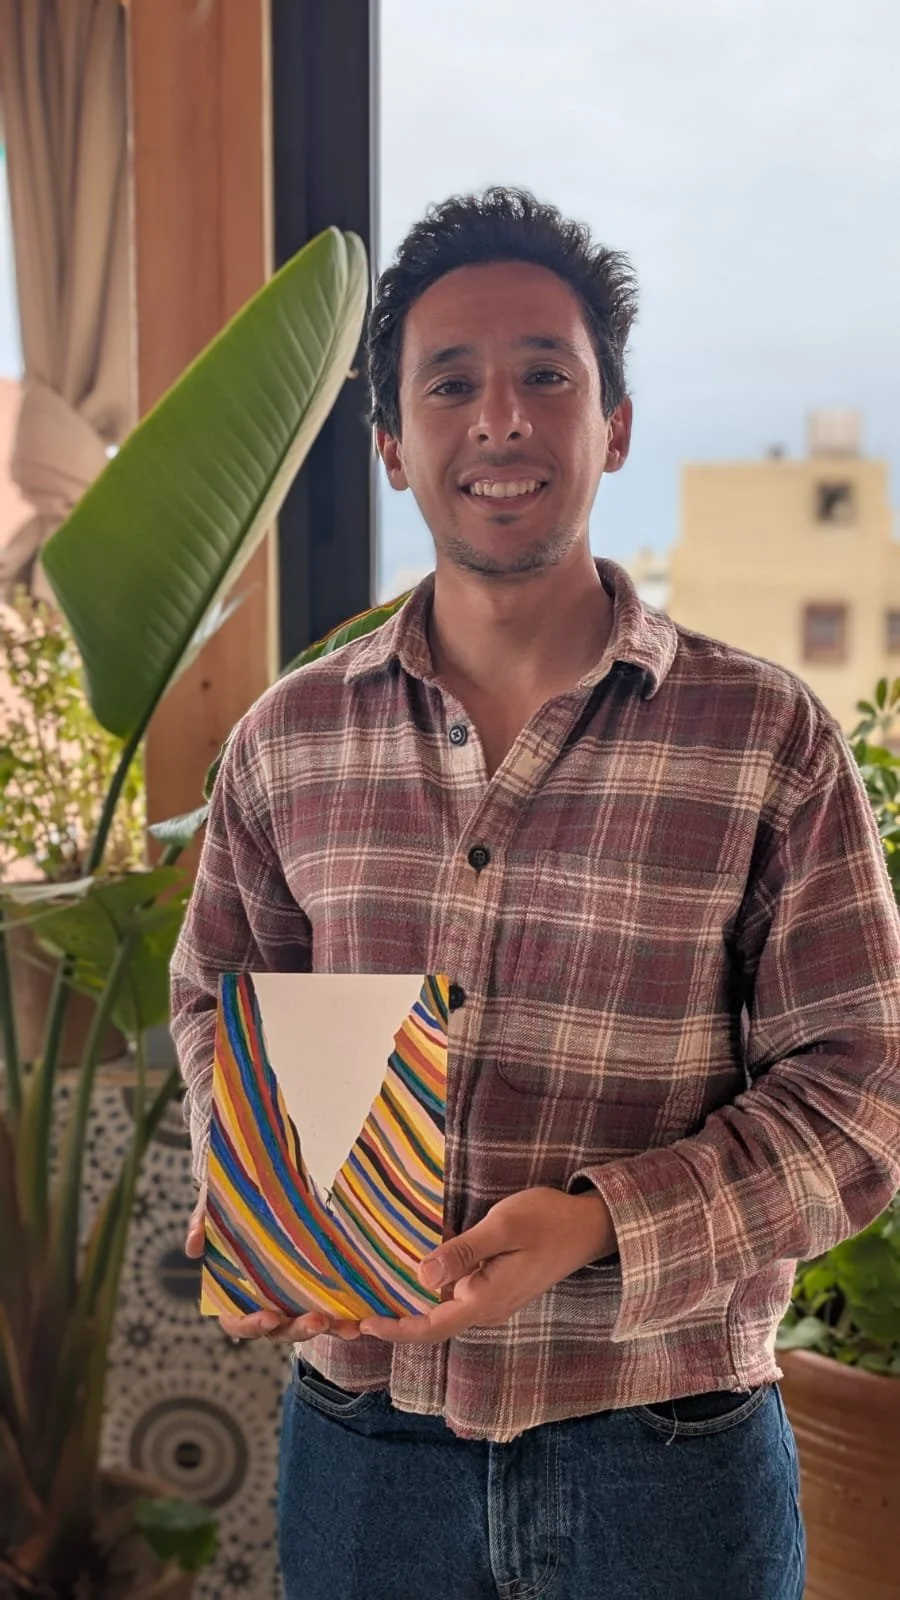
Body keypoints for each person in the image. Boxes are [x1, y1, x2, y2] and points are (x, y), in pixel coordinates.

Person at [171, 188, 900, 1600]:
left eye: (545, 376)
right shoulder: (286, 742)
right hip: (364, 1444)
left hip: (669, 1450)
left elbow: (862, 1096)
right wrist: (250, 1180)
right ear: (391, 444)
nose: (499, 418)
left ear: (612, 424)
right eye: (451, 383)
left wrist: (599, 1222)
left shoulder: (770, 741)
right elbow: (215, 997)